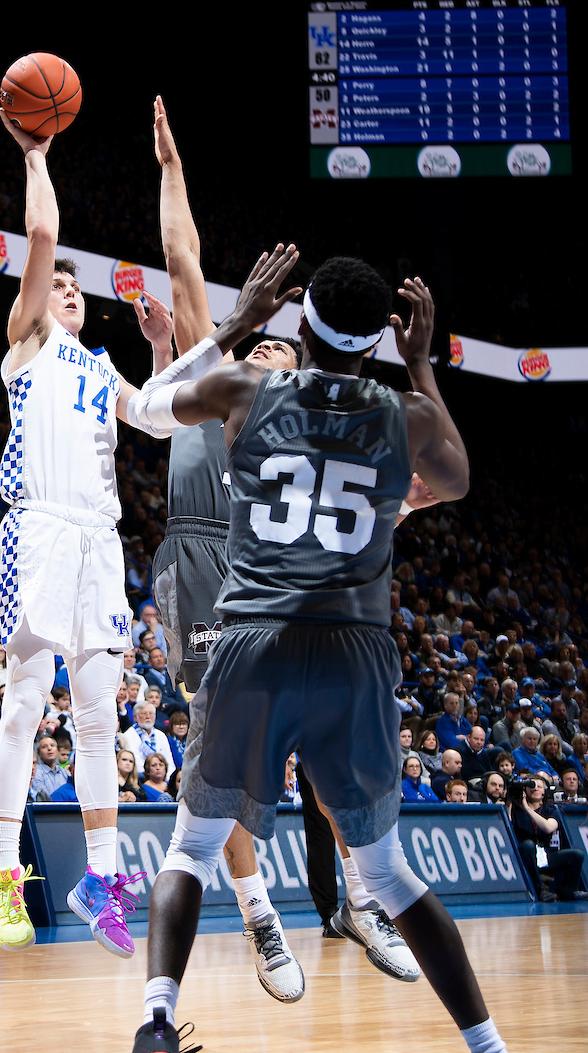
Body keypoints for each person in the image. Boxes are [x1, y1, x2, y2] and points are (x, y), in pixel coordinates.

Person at [112, 251, 555, 1053]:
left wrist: (236, 325)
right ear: (380, 342)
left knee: (192, 850)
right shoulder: (407, 411)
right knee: (387, 871)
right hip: (354, 650)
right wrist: (424, 362)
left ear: (300, 326)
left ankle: (157, 1027)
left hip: (254, 641)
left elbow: (147, 409)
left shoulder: (244, 389)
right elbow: (461, 478)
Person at [145, 97, 417, 998]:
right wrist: (173, 171)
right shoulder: (210, 378)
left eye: (275, 345)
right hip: (198, 564)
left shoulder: (304, 419)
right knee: (215, 752)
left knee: (323, 750)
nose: (261, 349)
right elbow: (184, 261)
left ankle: (362, 902)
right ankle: (262, 919)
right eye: (252, 340)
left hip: (275, 577)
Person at [0, 108, 178, 954]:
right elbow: (42, 230)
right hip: (39, 532)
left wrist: (167, 346)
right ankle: (1, 875)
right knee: (26, 706)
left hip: (100, 540)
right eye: (57, 284)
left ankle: (98, 879)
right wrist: (35, 155)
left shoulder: (102, 367)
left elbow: (165, 422)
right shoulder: (27, 344)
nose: (68, 290)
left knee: (98, 720)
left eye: (74, 287)